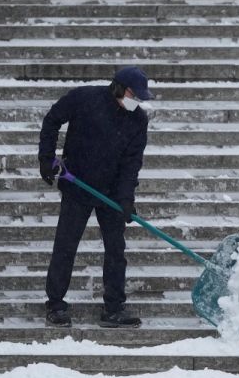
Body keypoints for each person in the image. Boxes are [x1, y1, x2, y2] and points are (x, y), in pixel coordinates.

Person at [37, 67, 153, 328]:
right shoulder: (85, 99)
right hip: (77, 185)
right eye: (133, 95)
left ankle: (114, 308)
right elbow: (52, 119)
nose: (136, 102)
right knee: (66, 246)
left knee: (116, 250)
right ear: (118, 88)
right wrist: (46, 158)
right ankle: (55, 304)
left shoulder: (138, 121)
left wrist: (126, 199)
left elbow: (131, 163)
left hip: (110, 192)